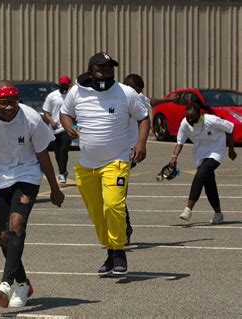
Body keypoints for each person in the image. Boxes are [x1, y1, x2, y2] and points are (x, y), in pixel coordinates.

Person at [0, 81, 65, 308]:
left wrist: (55, 189)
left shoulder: (31, 118)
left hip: (27, 174)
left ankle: (6, 283)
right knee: (5, 237)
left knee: (16, 223)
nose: (8, 107)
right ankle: (23, 283)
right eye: (3, 103)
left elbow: (43, 156)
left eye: (12, 102)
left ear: (18, 100)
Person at [60, 52, 150, 276]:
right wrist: (69, 125)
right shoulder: (76, 91)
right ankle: (110, 253)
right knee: (97, 212)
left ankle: (119, 251)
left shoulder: (125, 92)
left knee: (113, 206)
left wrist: (141, 143)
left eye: (110, 69)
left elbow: (143, 117)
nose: (107, 73)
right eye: (101, 69)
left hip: (117, 161)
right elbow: (64, 113)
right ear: (91, 71)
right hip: (87, 164)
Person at [121, 74, 180, 244]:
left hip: (128, 154)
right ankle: (123, 226)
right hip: (112, 152)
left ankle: (124, 228)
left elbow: (150, 101)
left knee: (117, 193)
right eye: (137, 91)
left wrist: (168, 100)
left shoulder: (134, 97)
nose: (139, 95)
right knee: (111, 194)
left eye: (140, 92)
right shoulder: (118, 95)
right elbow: (150, 100)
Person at [169, 102, 237, 224]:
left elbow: (230, 129)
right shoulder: (185, 123)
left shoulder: (211, 120)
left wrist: (231, 149)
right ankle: (218, 214)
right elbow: (180, 142)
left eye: (192, 117)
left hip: (216, 152)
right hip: (200, 155)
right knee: (209, 185)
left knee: (201, 174)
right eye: (187, 117)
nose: (189, 119)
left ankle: (188, 209)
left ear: (199, 114)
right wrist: (174, 157)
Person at [43, 75, 72, 184]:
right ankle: (63, 171)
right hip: (54, 128)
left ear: (69, 85)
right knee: (57, 152)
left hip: (66, 127)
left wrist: (74, 125)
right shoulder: (52, 96)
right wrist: (51, 122)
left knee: (64, 150)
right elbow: (46, 112)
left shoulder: (71, 96)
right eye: (62, 85)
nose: (63, 87)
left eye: (65, 85)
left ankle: (61, 173)